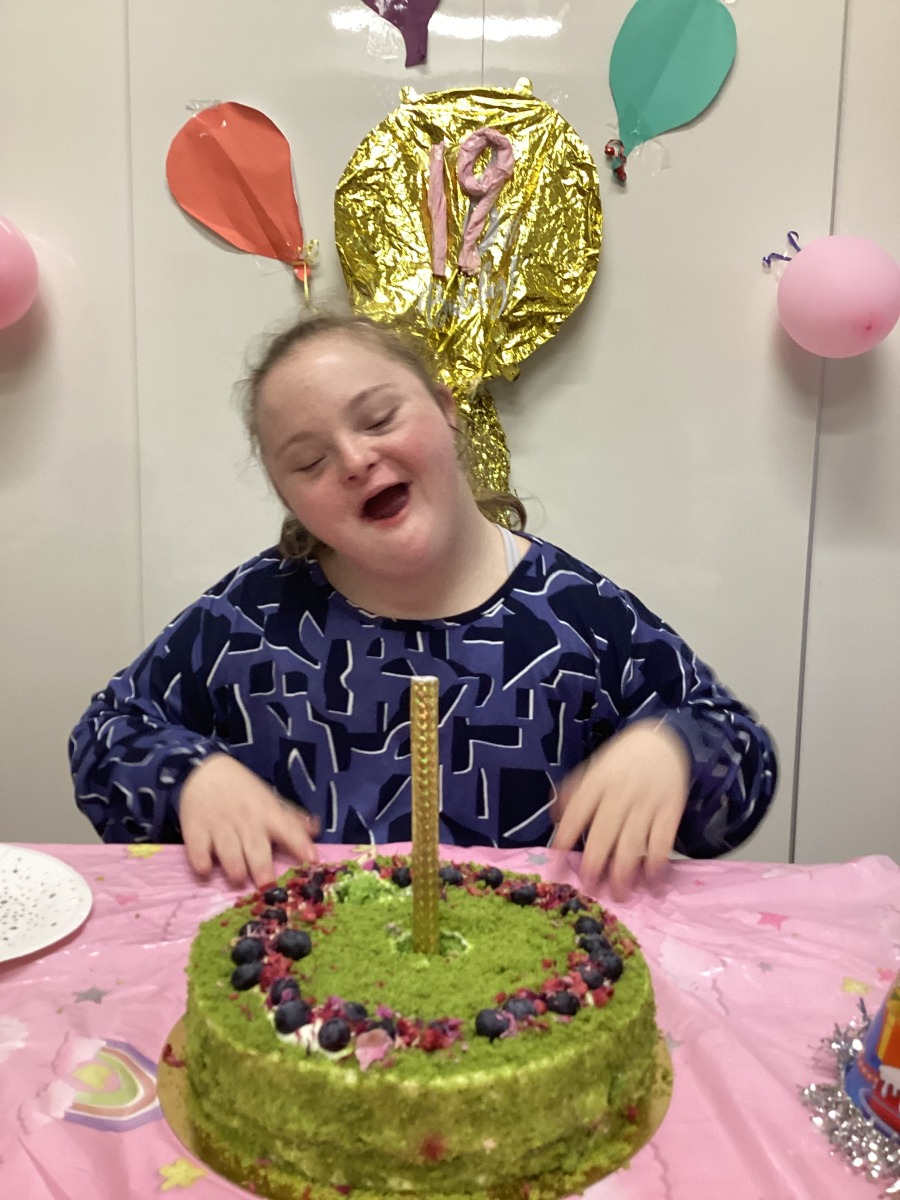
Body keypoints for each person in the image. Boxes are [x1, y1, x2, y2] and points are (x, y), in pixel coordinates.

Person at [69, 313, 778, 898]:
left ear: (447, 409)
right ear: (290, 500)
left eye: (378, 418)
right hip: (304, 990)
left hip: (528, 993)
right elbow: (105, 733)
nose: (354, 460)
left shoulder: (579, 615)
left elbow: (742, 762)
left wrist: (676, 750)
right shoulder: (245, 621)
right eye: (309, 462)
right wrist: (189, 776)